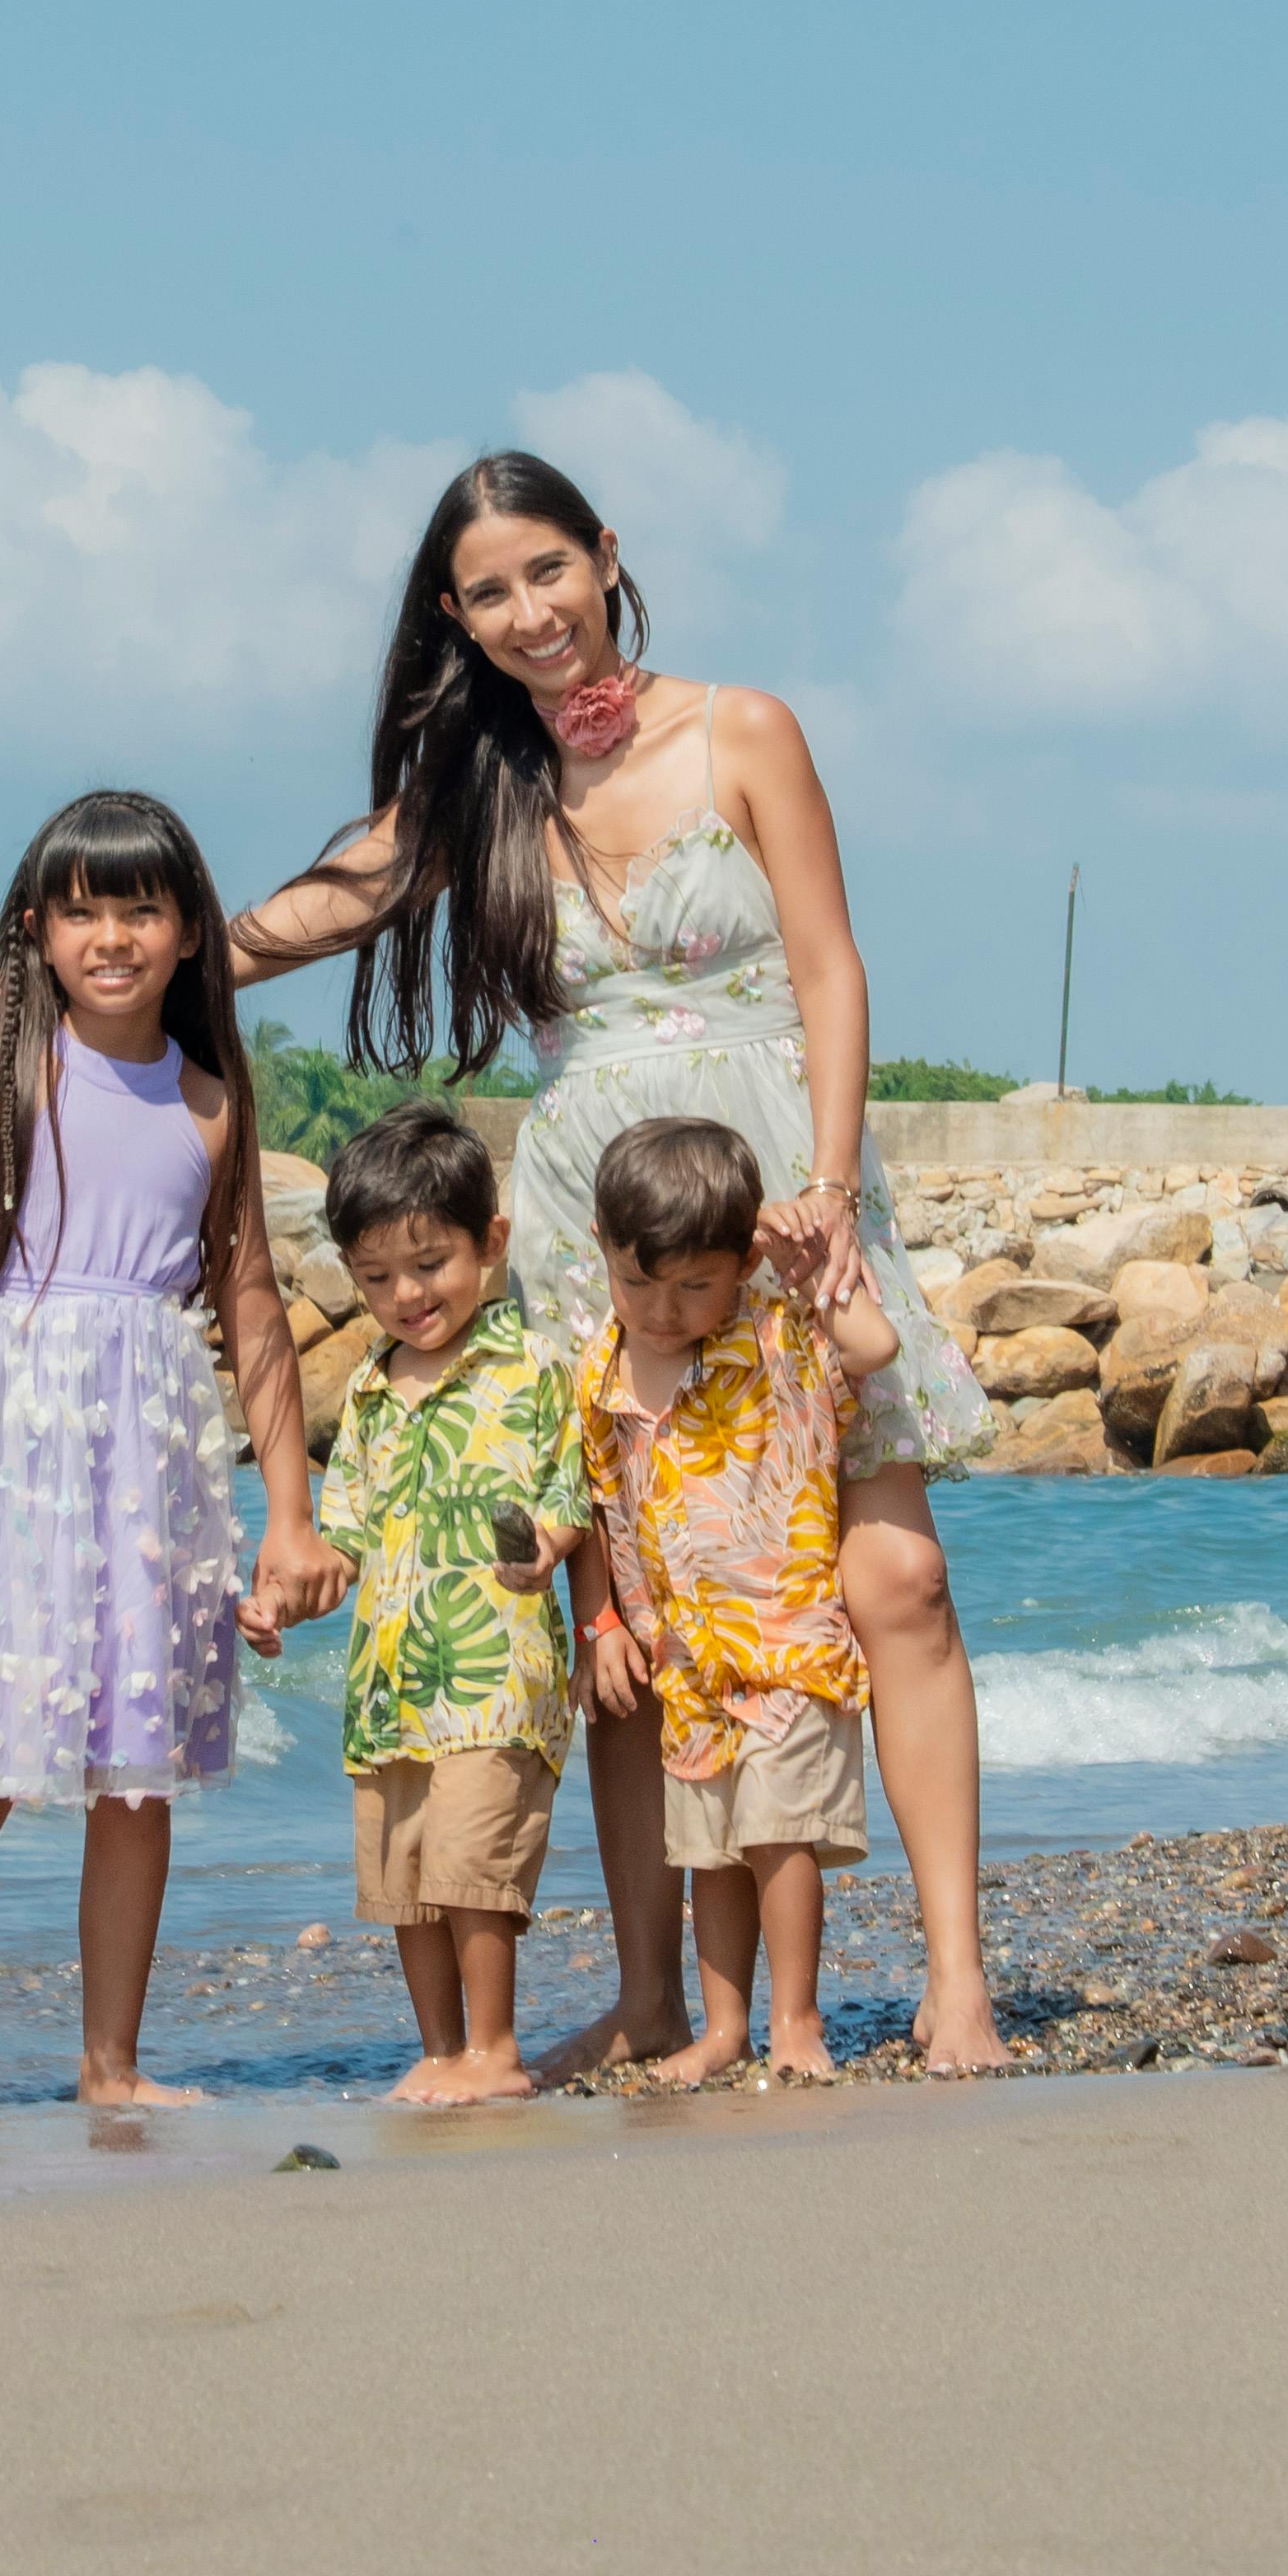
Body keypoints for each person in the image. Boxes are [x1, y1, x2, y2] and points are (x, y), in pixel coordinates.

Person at [227, 449, 1010, 2073]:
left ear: (605, 555)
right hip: (597, 1220)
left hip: (780, 1196)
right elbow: (327, 904)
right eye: (489, 591)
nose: (529, 612)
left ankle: (957, 1977)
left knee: (897, 1582)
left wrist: (826, 1184)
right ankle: (662, 1997)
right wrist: (162, 951)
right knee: (638, 1624)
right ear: (457, 615)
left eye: (548, 571)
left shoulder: (748, 728)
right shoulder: (477, 793)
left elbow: (830, 965)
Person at [0, 788, 344, 2109]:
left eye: (141, 908)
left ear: (185, 932)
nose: (111, 935)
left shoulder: (214, 1102)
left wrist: (290, 1509)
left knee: (138, 1772)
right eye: (81, 909)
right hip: (4, 1434)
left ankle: (111, 2067)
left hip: (150, 1443)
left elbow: (254, 1305)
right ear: (38, 930)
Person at [574, 1115, 896, 2085]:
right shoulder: (600, 1372)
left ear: (740, 1259)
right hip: (687, 1665)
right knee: (709, 1848)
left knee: (776, 1834)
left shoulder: (774, 1331)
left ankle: (795, 2020)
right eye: (638, 1282)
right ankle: (723, 2027)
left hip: (786, 1642)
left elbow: (874, 1346)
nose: (663, 1310)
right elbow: (598, 1508)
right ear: (602, 1253)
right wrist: (608, 1626)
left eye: (693, 1284)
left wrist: (805, 1265)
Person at [303, 1101, 589, 2107]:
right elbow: (344, 1526)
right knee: (407, 1881)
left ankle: (495, 2048)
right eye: (376, 1278)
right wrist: (299, 1585)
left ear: (491, 1243)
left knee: (472, 1870)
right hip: (389, 1687)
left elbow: (569, 1492)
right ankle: (438, 2047)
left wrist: (549, 1547)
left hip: (495, 1677)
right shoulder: (373, 1390)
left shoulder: (534, 1366)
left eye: (429, 1265)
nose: (405, 1295)